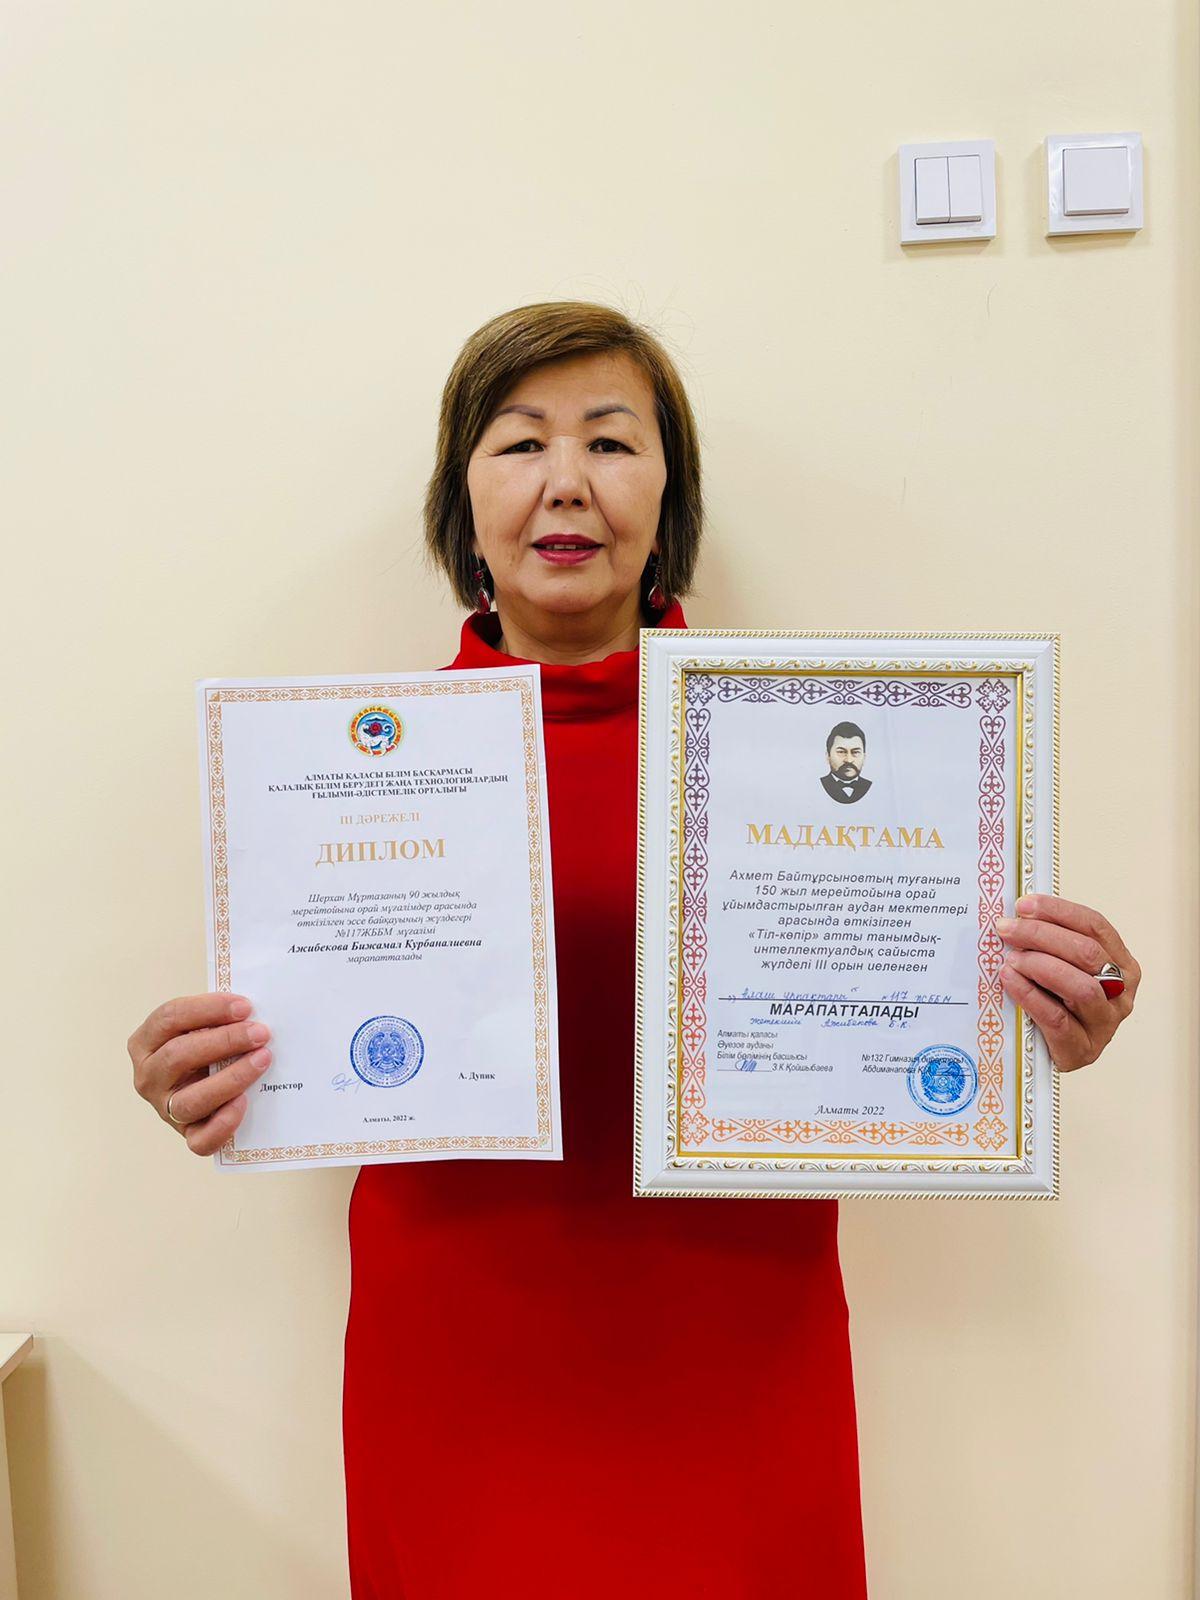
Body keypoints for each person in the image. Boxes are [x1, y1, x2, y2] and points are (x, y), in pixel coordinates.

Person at [127, 301, 1142, 1597]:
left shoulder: (818, 749)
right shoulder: (346, 776)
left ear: (671, 496)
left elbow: (929, 1002)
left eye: (610, 442)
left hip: (741, 1358)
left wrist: (1055, 994)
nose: (566, 482)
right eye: (519, 443)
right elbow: (299, 1041)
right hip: (459, 1369)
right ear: (462, 501)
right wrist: (209, 1071)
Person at [822, 721, 871, 804]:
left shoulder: (871, 786)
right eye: (841, 752)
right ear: (828, 756)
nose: (849, 760)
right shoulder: (818, 785)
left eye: (855, 752)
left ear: (864, 757)